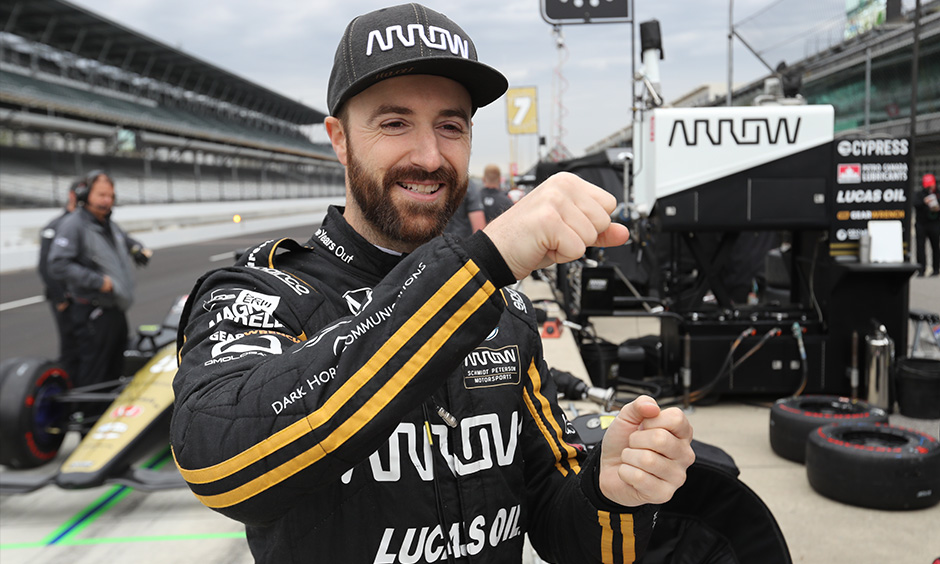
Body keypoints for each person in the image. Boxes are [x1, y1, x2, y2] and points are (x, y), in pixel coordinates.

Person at [170, 5, 694, 564]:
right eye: (394, 123)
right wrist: (481, 265)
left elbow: (563, 526)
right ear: (340, 138)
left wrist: (614, 493)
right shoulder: (263, 291)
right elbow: (219, 464)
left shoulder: (506, 312)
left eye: (451, 126)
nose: (429, 156)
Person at [48, 170, 152, 389]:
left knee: (115, 368)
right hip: (92, 313)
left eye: (111, 196)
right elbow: (58, 264)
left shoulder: (107, 224)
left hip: (114, 310)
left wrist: (138, 250)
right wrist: (98, 282)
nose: (107, 201)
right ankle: (86, 419)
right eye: (102, 195)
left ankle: (109, 416)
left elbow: (124, 240)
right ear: (86, 195)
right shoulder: (73, 225)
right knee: (95, 371)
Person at [38, 179, 82, 377]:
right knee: (71, 345)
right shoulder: (56, 225)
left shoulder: (86, 224)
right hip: (66, 298)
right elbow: (45, 266)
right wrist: (60, 298)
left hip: (84, 296)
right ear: (72, 195)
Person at [913, 173, 939, 276]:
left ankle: (936, 269)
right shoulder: (920, 194)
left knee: (935, 247)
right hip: (921, 224)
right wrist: (924, 202)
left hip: (935, 223)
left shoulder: (938, 193)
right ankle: (921, 269)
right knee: (920, 247)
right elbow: (915, 204)